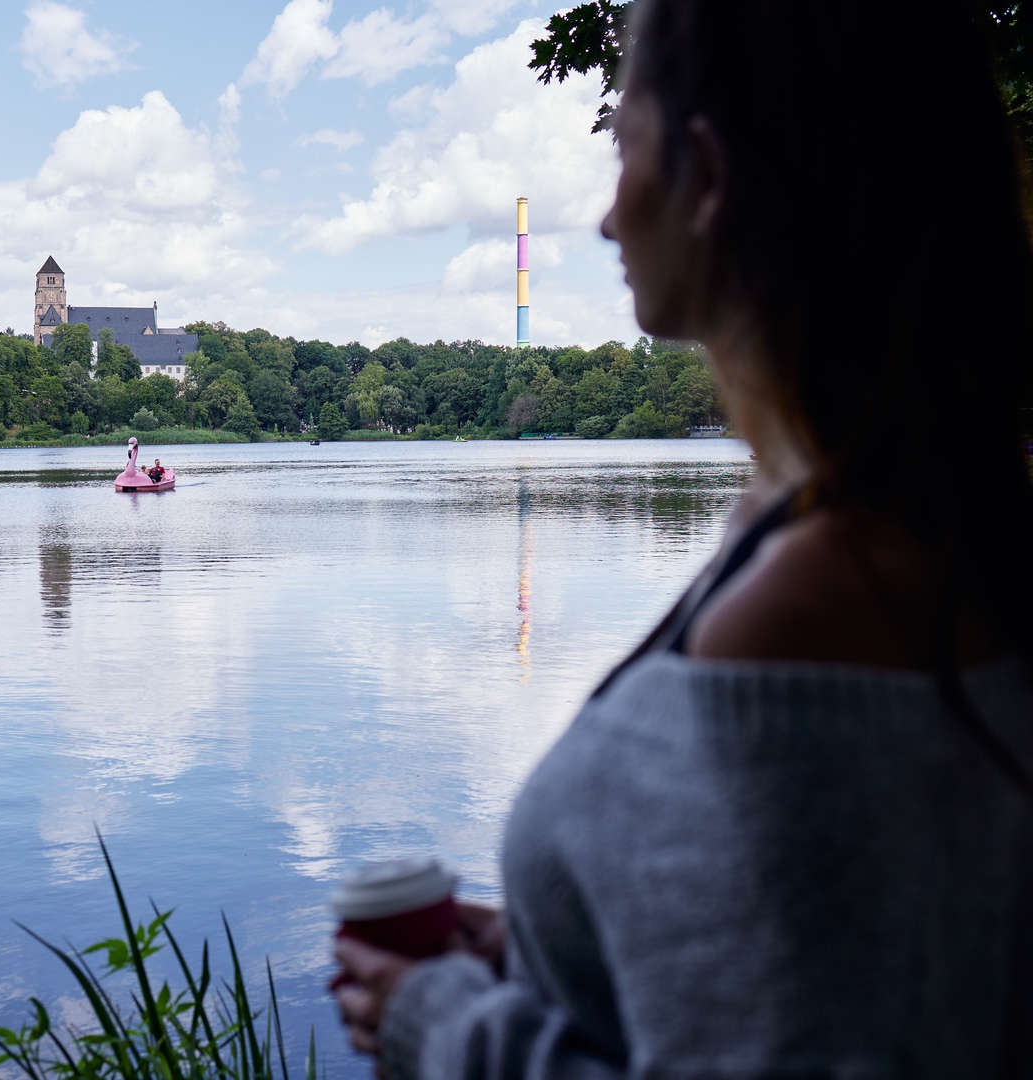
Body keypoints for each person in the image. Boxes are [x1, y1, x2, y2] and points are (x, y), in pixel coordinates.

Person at [332, 0, 1033, 1076]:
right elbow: (844, 969)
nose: (610, 220)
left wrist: (444, 1027)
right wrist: (555, 956)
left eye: (623, 148)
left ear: (704, 178)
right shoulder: (876, 519)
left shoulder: (820, 606)